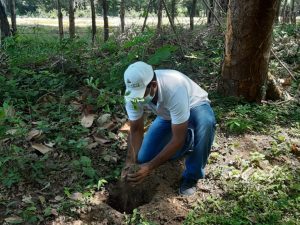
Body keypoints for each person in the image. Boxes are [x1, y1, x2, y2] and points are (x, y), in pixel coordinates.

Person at [123, 61, 216, 196]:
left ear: (153, 86)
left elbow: (178, 138)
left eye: (140, 95)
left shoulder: (173, 88)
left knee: (205, 123)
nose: (137, 100)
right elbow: (136, 129)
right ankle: (188, 143)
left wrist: (149, 167)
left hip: (194, 106)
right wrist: (131, 162)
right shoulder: (131, 97)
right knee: (144, 157)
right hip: (168, 115)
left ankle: (191, 176)